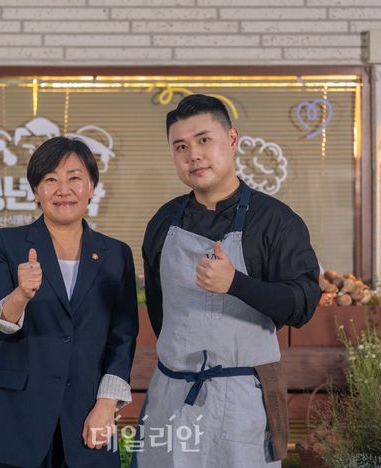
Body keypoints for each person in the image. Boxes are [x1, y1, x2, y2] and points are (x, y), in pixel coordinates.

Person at [134, 95, 321, 467]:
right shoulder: (162, 223)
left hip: (242, 398)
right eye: (181, 147)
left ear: (232, 140)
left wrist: (236, 283)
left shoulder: (276, 222)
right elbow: (161, 313)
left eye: (204, 140)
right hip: (173, 394)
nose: (193, 155)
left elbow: (302, 304)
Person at [0, 137, 139, 468]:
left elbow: (123, 337)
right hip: (17, 418)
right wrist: (20, 295)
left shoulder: (116, 254)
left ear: (92, 188)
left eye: (74, 178)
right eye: (51, 179)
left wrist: (106, 406)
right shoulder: (6, 244)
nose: (63, 190)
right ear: (36, 191)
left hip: (87, 416)